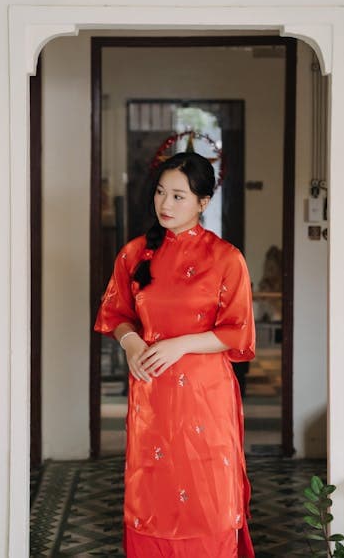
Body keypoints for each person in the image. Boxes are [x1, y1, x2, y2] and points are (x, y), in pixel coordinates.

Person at [94, 151, 256, 558]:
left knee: (209, 495)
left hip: (205, 396)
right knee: (152, 494)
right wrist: (132, 344)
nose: (165, 204)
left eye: (179, 196)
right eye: (161, 193)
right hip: (154, 395)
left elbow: (237, 331)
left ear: (204, 202)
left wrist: (180, 343)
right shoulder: (135, 254)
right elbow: (116, 315)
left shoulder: (226, 259)